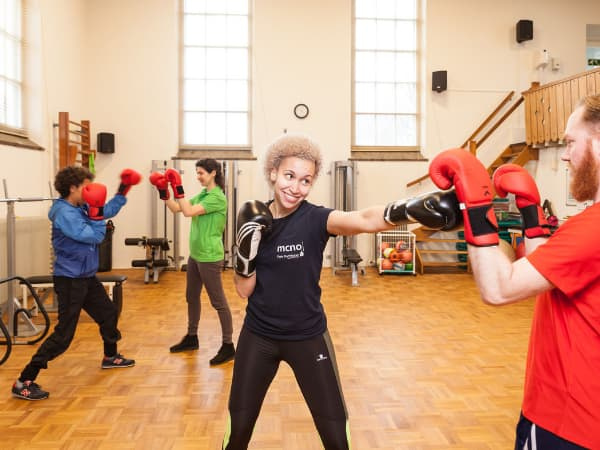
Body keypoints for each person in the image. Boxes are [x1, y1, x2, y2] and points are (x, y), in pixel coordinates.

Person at [222, 133, 461, 449]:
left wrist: (409, 209)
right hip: (259, 337)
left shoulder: (316, 219)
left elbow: (363, 219)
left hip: (307, 336)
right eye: (289, 176)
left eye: (305, 180)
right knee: (237, 430)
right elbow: (243, 290)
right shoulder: (256, 220)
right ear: (273, 173)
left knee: (335, 435)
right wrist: (245, 254)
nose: (295, 188)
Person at [428, 94, 600, 450]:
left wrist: (474, 205)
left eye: (570, 142)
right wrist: (532, 218)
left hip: (566, 419)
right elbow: (538, 278)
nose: (565, 155)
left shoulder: (593, 228)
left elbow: (499, 289)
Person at [11, 166, 140, 401]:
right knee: (64, 335)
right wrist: (98, 216)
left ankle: (110, 356)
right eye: (86, 187)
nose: (90, 191)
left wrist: (123, 189)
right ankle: (25, 380)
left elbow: (105, 210)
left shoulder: (80, 206)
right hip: (70, 279)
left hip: (85, 276)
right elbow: (93, 235)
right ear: (73, 188)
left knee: (108, 313)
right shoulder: (64, 213)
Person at [150, 159, 235, 365]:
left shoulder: (217, 198)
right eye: (196, 173)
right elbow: (177, 208)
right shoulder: (204, 194)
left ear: (213, 173)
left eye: (201, 173)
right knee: (191, 296)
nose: (198, 177)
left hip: (209, 257)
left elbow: (188, 212)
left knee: (218, 302)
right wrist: (164, 190)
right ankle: (191, 337)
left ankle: (228, 345)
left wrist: (177, 185)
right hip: (196, 255)